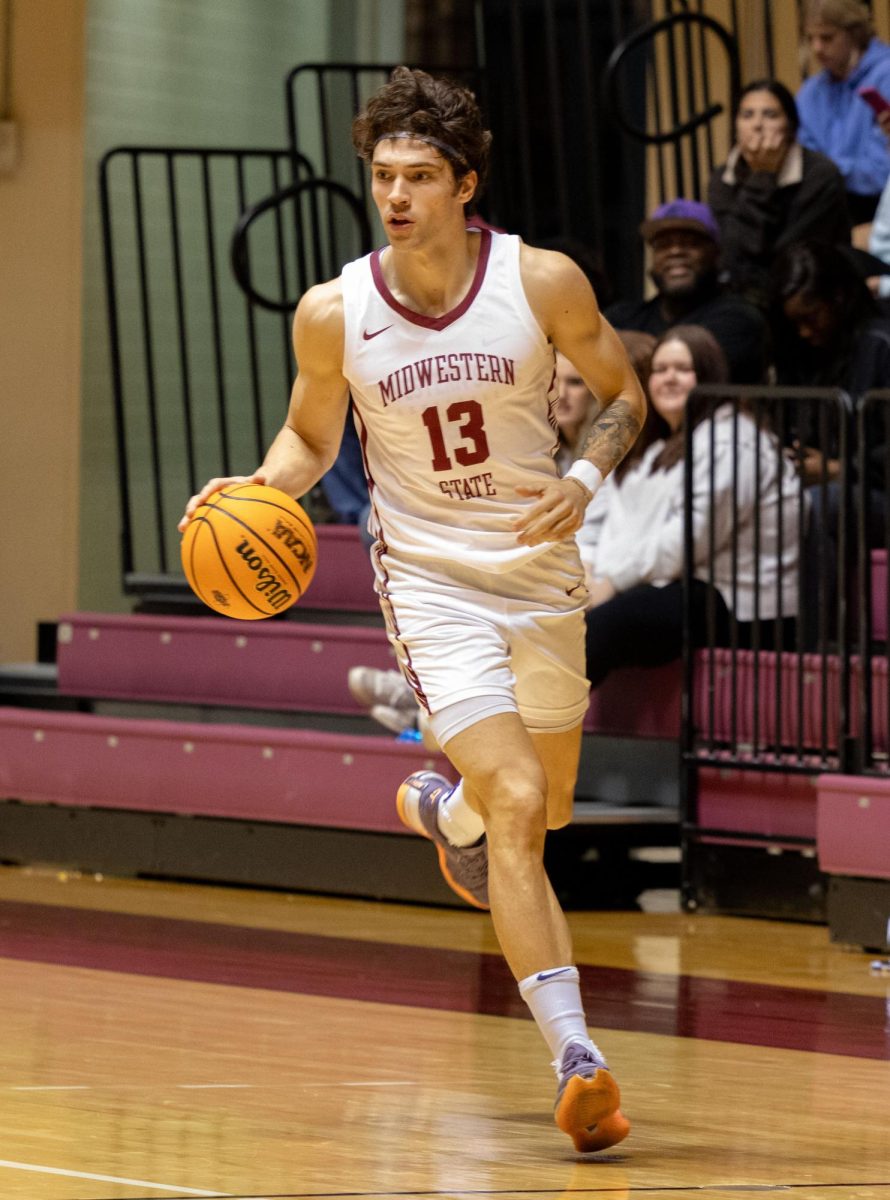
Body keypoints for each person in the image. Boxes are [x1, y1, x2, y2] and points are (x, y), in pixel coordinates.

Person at [180, 67, 646, 1154]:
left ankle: (447, 814)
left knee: (544, 811)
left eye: (418, 176)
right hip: (429, 580)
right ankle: (578, 1062)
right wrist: (253, 492)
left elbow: (619, 393)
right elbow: (308, 440)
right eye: (382, 175)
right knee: (524, 802)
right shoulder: (334, 311)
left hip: (535, 574)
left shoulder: (540, 283)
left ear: (463, 183)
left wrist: (577, 486)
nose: (394, 194)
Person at [583, 325, 800, 687]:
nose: (669, 379)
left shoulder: (732, 440)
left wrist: (612, 585)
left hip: (739, 604)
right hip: (684, 587)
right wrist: (593, 580)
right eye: (661, 369)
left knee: (603, 628)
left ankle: (533, 737)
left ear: (710, 376)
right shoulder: (669, 445)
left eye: (683, 369)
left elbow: (690, 539)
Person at [770, 239, 890, 641]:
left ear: (838, 298)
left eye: (812, 316)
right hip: (840, 488)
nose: (804, 331)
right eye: (795, 322)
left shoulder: (881, 344)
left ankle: (813, 643)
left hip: (877, 492)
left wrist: (840, 469)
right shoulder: (809, 353)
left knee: (819, 505)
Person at [708, 79, 851, 311]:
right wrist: (761, 178)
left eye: (770, 115)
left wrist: (764, 175)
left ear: (791, 127)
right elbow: (731, 253)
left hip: (808, 295)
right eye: (747, 115)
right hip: (740, 297)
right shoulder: (723, 178)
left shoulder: (820, 175)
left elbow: (786, 258)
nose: (757, 125)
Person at [605, 198, 769, 384]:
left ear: (716, 254)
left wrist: (610, 345)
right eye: (663, 245)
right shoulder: (624, 317)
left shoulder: (739, 319)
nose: (675, 251)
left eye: (690, 243)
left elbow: (686, 368)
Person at [797, 0, 890, 226]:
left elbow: (880, 174)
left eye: (827, 38)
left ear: (855, 34)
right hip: (828, 205)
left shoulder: (885, 75)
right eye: (811, 39)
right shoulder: (810, 92)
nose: (817, 48)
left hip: (878, 207)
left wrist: (826, 170)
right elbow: (802, 164)